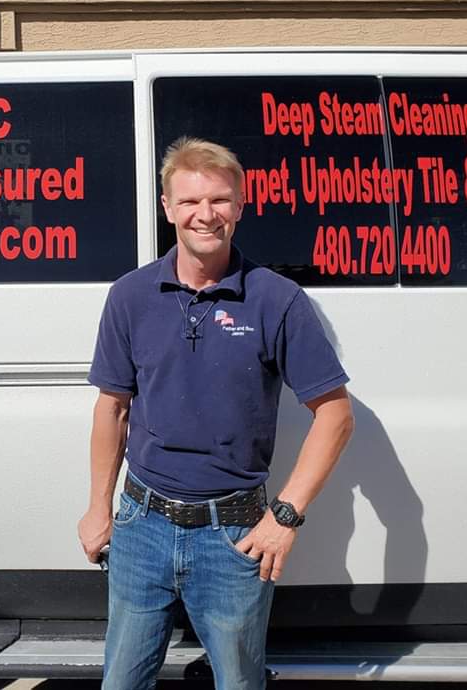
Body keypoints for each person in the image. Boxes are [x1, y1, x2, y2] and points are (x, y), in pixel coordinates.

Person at [78, 137, 354, 690]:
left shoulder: (277, 300)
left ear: (241, 205)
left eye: (220, 200)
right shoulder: (129, 296)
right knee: (121, 682)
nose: (205, 215)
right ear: (167, 208)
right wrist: (97, 507)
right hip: (141, 525)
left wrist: (285, 517)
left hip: (234, 534)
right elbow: (112, 409)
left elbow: (336, 415)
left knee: (239, 683)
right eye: (189, 201)